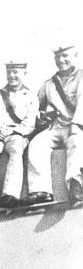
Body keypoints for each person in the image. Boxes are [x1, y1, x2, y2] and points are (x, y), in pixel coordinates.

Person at [0, 61, 38, 210]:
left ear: (24, 73)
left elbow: (30, 123)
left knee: (16, 149)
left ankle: (10, 194)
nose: (12, 76)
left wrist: (13, 131)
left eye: (16, 72)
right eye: (9, 72)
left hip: (17, 133)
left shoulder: (31, 95)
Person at [27, 43, 83, 205]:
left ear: (75, 56)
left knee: (77, 142)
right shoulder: (49, 84)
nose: (61, 60)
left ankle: (76, 184)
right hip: (57, 127)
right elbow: (35, 105)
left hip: (78, 126)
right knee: (37, 144)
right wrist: (40, 115)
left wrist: (77, 124)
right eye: (58, 56)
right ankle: (41, 191)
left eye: (65, 55)